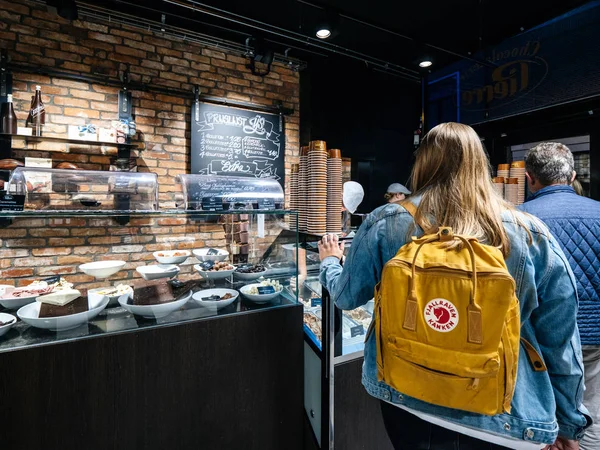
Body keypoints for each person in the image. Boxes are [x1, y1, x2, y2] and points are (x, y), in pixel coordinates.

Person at [319, 123, 590, 450]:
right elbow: (559, 340)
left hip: (406, 396)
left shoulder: (387, 221)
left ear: (423, 162)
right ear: (480, 162)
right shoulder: (531, 233)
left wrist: (330, 262)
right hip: (503, 415)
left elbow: (346, 297)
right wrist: (569, 422)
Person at [520, 142, 600, 450]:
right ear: (573, 175)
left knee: (538, 408)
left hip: (535, 337)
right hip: (594, 333)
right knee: (591, 406)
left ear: (530, 179)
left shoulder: (516, 219)